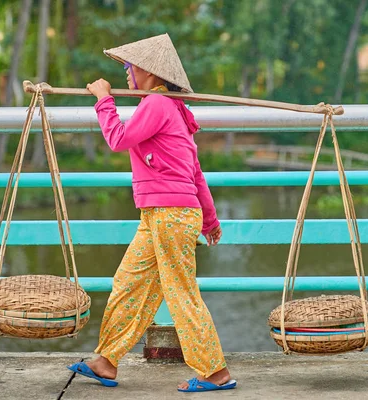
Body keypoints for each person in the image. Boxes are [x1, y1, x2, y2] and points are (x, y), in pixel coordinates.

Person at [66, 34, 236, 393]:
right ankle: (106, 361)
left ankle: (214, 372)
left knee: (181, 293)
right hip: (161, 213)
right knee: (129, 283)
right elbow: (195, 172)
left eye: (128, 67)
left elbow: (117, 139)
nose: (126, 73)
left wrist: (104, 101)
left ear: (147, 70)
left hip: (170, 214)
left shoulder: (157, 103)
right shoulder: (170, 107)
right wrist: (210, 220)